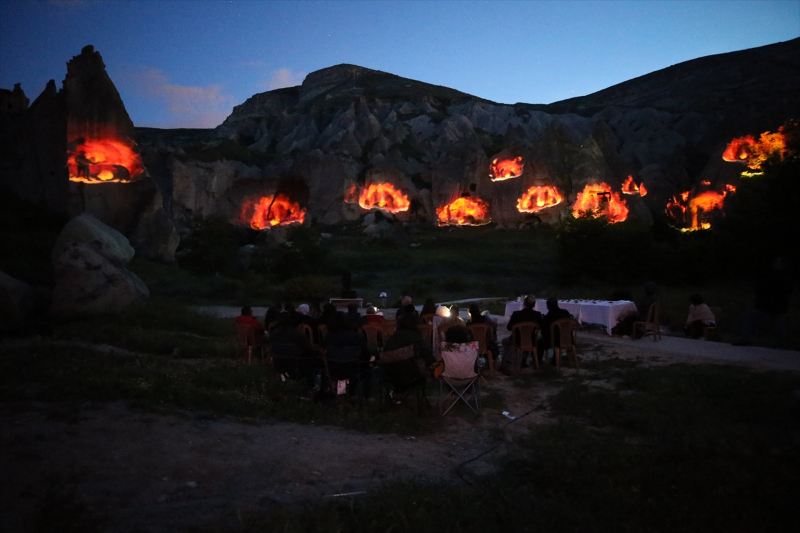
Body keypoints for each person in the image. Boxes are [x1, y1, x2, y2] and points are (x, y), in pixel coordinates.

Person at [734, 258, 793, 346]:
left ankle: (746, 339)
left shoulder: (776, 276)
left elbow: (764, 288)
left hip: (769, 306)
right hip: (774, 306)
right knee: (777, 326)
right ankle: (779, 344)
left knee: (751, 318)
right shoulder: (785, 277)